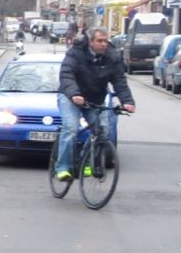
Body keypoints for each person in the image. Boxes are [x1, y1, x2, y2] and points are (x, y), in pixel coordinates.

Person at [54, 27, 137, 182]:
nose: (104, 44)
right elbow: (66, 74)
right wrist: (75, 94)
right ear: (90, 41)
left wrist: (127, 102)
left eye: (106, 41)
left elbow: (119, 81)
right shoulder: (76, 52)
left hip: (95, 99)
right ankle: (63, 168)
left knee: (102, 132)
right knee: (71, 128)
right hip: (70, 96)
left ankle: (86, 162)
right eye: (100, 41)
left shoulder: (113, 56)